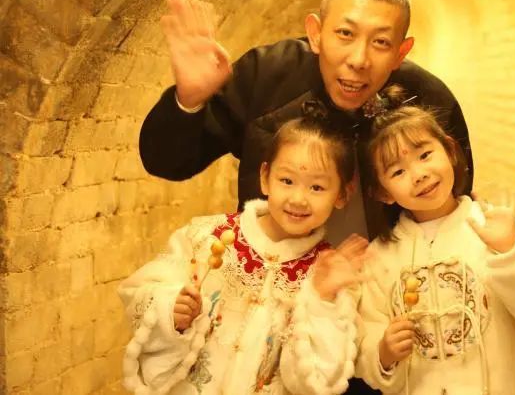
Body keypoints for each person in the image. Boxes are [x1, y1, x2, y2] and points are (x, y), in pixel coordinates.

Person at [139, 0, 474, 243]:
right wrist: (189, 100)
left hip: (387, 283)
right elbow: (168, 163)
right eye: (345, 34)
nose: (359, 59)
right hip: (275, 279)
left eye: (381, 42)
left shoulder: (427, 99)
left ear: (401, 52)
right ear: (315, 33)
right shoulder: (266, 74)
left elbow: (453, 202)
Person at [119, 108, 368, 395]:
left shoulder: (329, 275)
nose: (298, 199)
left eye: (317, 187)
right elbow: (140, 291)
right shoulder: (206, 237)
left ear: (343, 194)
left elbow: (315, 382)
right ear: (265, 176)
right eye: (287, 181)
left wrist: (321, 301)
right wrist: (171, 311)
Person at [353, 87, 515, 395]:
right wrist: (383, 352)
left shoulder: (491, 225)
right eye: (398, 171)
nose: (418, 174)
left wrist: (512, 250)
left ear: (450, 150)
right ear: (382, 192)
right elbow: (366, 336)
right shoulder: (380, 256)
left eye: (425, 155)